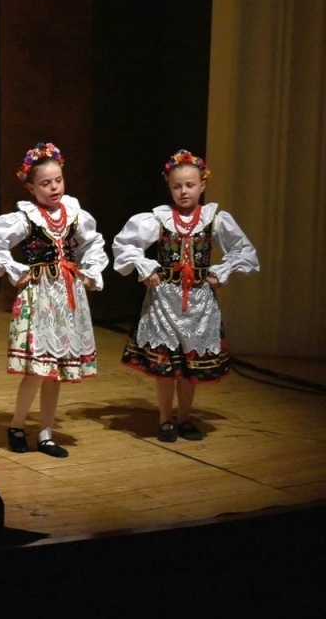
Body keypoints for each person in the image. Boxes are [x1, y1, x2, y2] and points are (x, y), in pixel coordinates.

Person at [111, 149, 260, 441]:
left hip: (200, 303)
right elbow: (125, 245)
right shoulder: (159, 218)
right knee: (166, 365)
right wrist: (146, 268)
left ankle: (185, 417)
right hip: (164, 300)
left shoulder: (214, 218)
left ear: (202, 184)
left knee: (190, 365)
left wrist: (221, 272)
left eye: (190, 185)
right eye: (177, 185)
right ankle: (165, 418)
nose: (183, 191)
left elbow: (243, 249)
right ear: (169, 185)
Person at [0, 142, 107, 458]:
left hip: (67, 296)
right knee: (36, 370)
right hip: (39, 296)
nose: (54, 188)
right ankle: (17, 424)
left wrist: (89, 272)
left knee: (56, 370)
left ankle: (46, 432)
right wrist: (14, 268)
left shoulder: (75, 214)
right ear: (31, 187)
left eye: (58, 180)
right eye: (45, 183)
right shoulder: (27, 218)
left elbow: (94, 244)